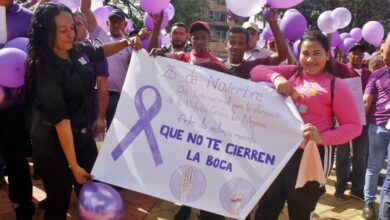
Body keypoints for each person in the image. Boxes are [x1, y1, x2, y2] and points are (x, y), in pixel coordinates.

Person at [26, 3, 141, 219]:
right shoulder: (44, 68)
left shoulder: (78, 50)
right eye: (63, 30)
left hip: (84, 137)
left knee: (92, 195)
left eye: (72, 27)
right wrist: (73, 165)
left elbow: (100, 51)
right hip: (55, 145)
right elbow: (61, 121)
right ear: (46, 32)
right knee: (58, 204)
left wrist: (127, 42)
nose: (71, 33)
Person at [250, 30, 362, 219]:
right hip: (280, 153)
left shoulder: (336, 86)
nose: (310, 59)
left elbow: (354, 126)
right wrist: (276, 78)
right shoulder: (293, 72)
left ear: (328, 55)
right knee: (266, 209)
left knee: (300, 212)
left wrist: (322, 138)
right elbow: (256, 71)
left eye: (317, 53)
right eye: (305, 53)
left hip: (313, 155)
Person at [0, 1, 35, 219]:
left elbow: (37, 53)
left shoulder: (28, 17)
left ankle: (24, 203)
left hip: (17, 101)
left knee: (15, 155)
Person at [81, 0, 132, 129]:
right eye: (112, 21)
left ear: (125, 24)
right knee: (92, 132)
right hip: (95, 94)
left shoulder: (131, 44)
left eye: (118, 21)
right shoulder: (99, 34)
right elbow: (85, 10)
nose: (115, 24)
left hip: (117, 97)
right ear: (107, 23)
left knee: (114, 135)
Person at [332, 43, 371, 202]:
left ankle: (357, 189)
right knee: (342, 155)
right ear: (348, 55)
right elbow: (329, 58)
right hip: (343, 121)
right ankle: (339, 188)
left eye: (360, 53)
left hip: (363, 122)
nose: (357, 56)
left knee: (360, 157)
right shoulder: (342, 69)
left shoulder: (370, 74)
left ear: (364, 56)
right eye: (353, 53)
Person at [363, 33, 390, 220]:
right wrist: (358, 125)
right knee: (374, 166)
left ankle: (382, 212)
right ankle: (369, 202)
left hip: (378, 127)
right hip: (378, 126)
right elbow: (366, 101)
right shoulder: (377, 74)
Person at [224, 9, 288, 79]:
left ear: (246, 46)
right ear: (225, 45)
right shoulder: (216, 67)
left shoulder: (254, 66)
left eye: (241, 43)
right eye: (232, 43)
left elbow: (282, 55)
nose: (236, 47)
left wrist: (273, 23)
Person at [74, 11, 109, 137]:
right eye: (72, 25)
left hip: (89, 116)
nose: (75, 28)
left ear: (86, 26)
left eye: (78, 24)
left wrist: (100, 117)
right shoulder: (62, 50)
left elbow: (103, 88)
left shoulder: (95, 52)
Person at [151, 21, 226, 71]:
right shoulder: (180, 57)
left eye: (203, 37)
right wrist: (158, 52)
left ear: (209, 39)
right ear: (190, 39)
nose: (199, 41)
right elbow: (155, 56)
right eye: (195, 38)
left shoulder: (219, 64)